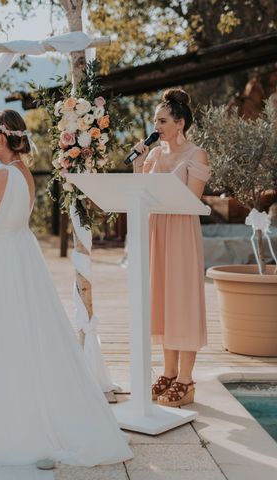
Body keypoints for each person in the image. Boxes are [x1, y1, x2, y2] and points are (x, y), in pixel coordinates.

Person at [0, 109, 133, 466]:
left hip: (0, 259)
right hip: (23, 254)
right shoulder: (25, 175)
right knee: (28, 331)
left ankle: (3, 420)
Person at [131, 88, 211, 407]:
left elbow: (192, 199)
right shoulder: (152, 155)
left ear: (180, 123)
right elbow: (140, 193)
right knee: (163, 301)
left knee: (183, 301)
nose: (156, 127)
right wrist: (138, 165)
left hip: (181, 232)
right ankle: (167, 372)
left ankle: (186, 379)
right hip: (157, 231)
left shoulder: (197, 155)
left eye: (162, 121)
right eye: (155, 121)